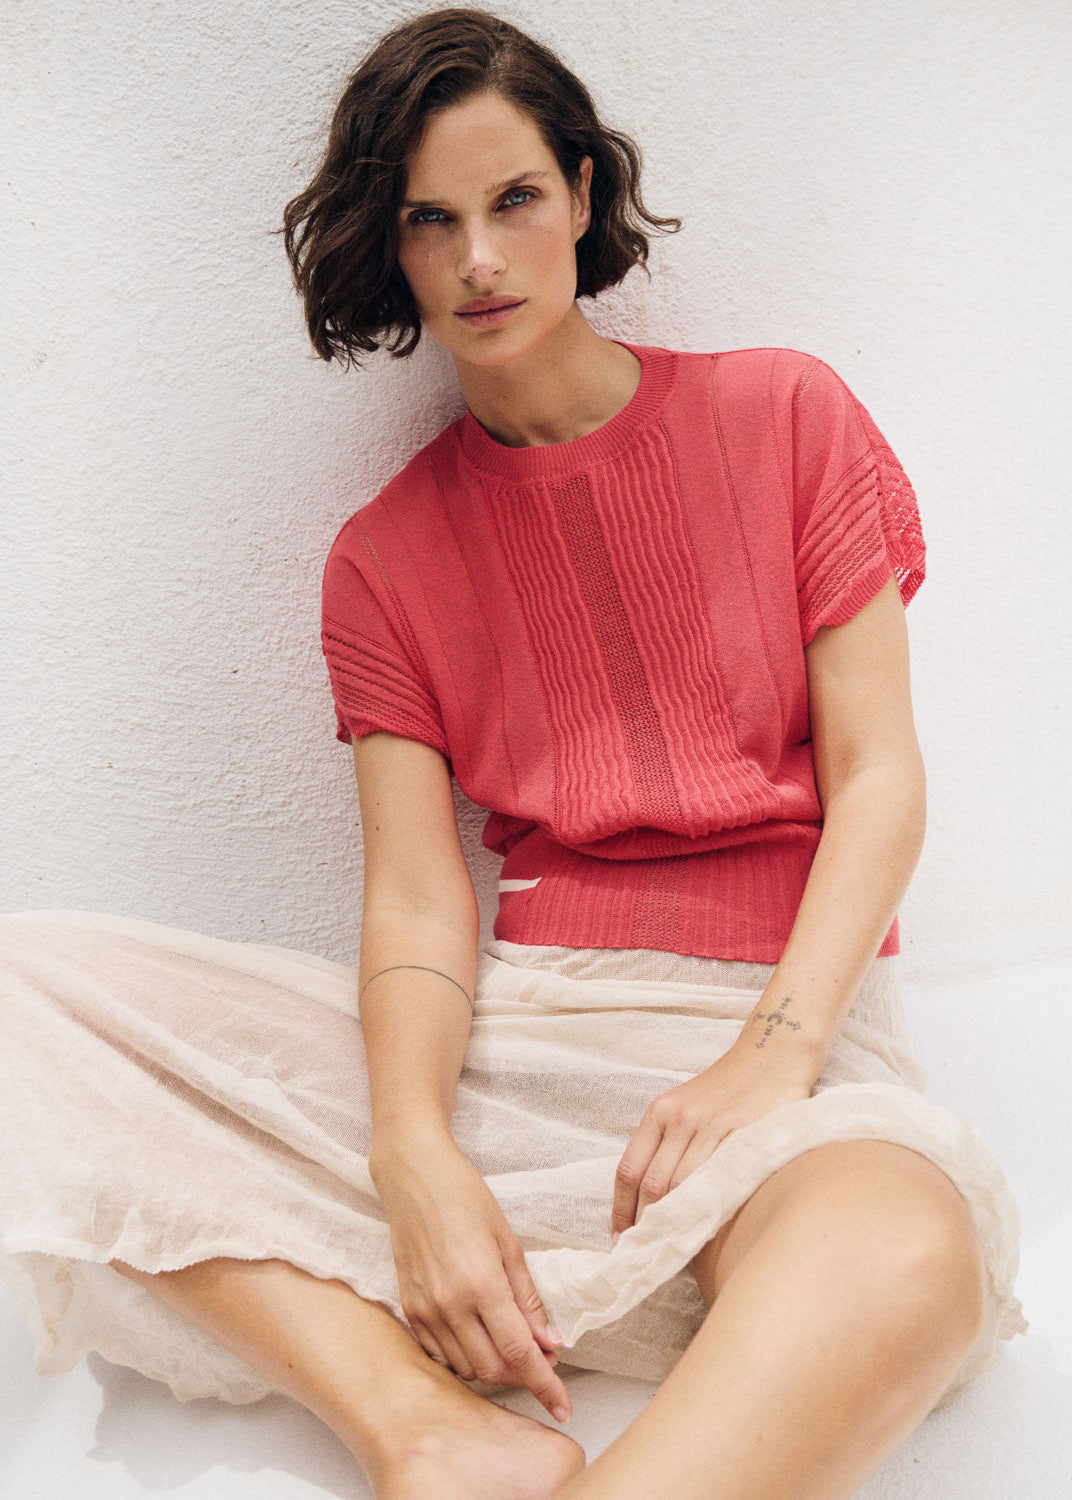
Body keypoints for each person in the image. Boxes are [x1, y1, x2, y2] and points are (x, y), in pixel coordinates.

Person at [0, 7, 1028, 1499]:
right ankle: (419, 1426)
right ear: (392, 246)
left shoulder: (788, 415)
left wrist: (771, 1058)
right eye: (431, 220)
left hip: (780, 1052)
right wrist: (416, 1158)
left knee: (910, 1249)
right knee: (18, 994)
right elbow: (421, 903)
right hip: (522, 1055)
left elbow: (880, 777)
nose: (478, 257)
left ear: (584, 195)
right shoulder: (383, 558)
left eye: (514, 199)